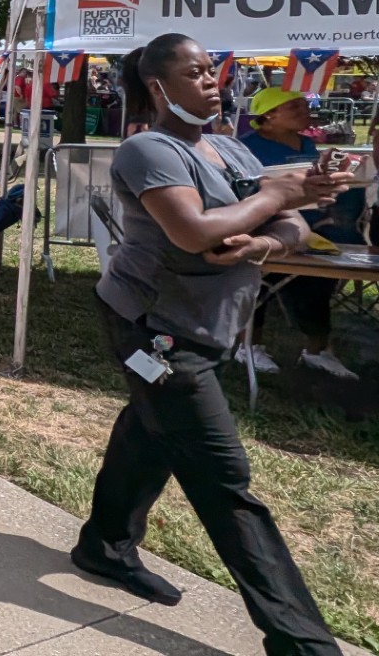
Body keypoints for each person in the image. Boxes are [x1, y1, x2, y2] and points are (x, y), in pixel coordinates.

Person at [74, 33, 349, 654]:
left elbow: (294, 226)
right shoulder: (149, 149)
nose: (212, 82)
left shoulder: (225, 148)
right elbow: (196, 231)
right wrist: (275, 198)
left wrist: (266, 242)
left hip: (209, 323)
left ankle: (103, 546)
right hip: (155, 328)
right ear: (157, 86)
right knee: (225, 479)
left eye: (212, 72)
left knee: (151, 434)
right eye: (195, 72)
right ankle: (302, 642)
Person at [236, 87, 363, 379]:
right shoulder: (246, 147)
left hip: (312, 230)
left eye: (305, 106)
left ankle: (317, 352)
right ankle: (248, 346)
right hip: (267, 228)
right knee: (260, 280)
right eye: (295, 108)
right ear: (269, 115)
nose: (305, 113)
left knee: (317, 281)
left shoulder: (306, 144)